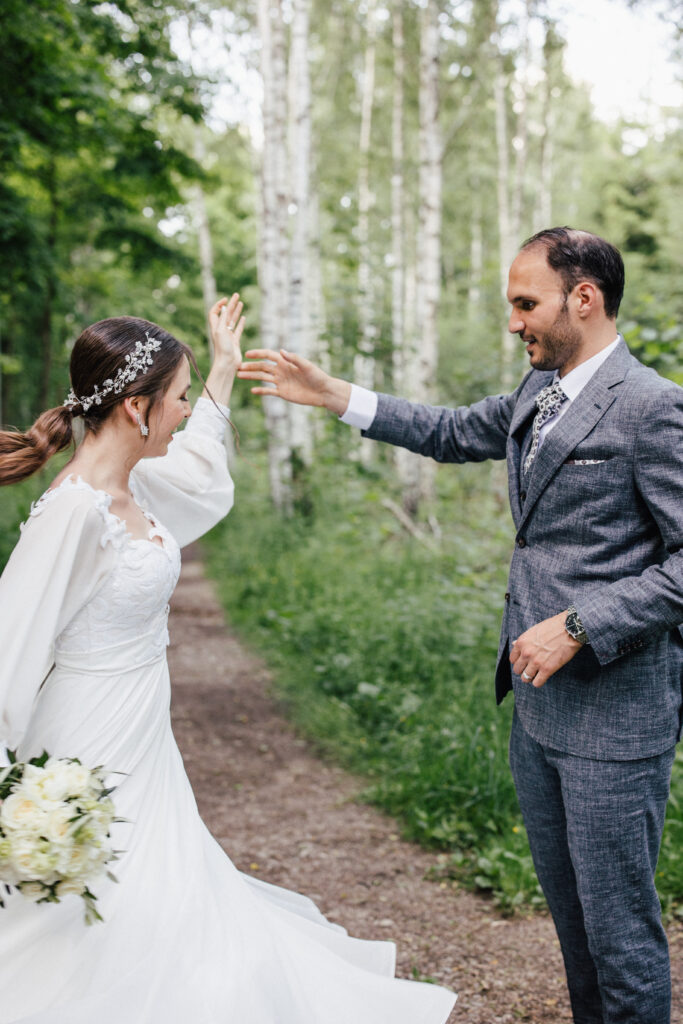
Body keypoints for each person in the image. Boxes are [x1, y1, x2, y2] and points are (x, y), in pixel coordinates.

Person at [238, 227, 683, 1024]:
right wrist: (335, 395)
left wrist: (579, 623)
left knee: (620, 937)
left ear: (584, 298)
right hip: (537, 708)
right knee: (575, 931)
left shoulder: (652, 408)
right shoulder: (534, 394)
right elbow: (447, 432)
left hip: (616, 716)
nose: (513, 322)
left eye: (525, 304)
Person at [0, 296, 456, 1023]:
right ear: (135, 409)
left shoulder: (136, 481)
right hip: (88, 744)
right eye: (177, 400)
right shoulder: (74, 512)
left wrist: (218, 369)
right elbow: (10, 644)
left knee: (161, 895)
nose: (184, 413)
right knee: (104, 900)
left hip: (145, 731)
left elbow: (200, 467)